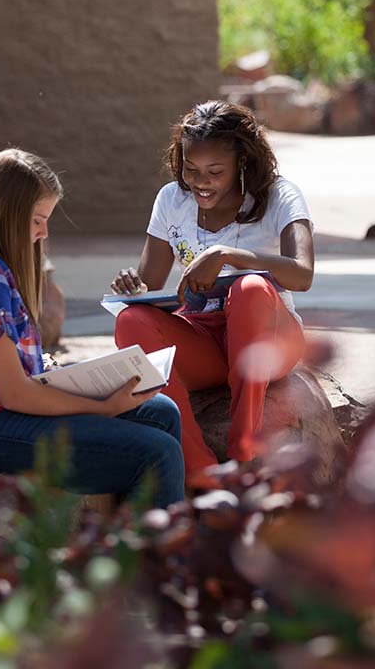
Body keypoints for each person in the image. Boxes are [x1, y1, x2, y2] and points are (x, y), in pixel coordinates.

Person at [0, 149, 184, 507]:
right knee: (155, 452)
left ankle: (136, 540)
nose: (43, 232)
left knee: (160, 411)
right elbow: (14, 394)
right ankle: (161, 558)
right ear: (8, 213)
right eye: (36, 220)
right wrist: (102, 408)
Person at [111, 100, 314, 480]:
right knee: (131, 320)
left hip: (267, 338)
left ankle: (245, 451)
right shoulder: (172, 199)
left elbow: (303, 275)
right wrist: (131, 286)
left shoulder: (280, 195)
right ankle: (199, 470)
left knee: (251, 288)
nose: (201, 182)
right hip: (205, 341)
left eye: (215, 172)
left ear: (242, 164)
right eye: (191, 170)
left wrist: (229, 256)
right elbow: (149, 284)